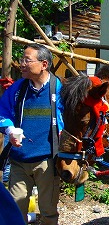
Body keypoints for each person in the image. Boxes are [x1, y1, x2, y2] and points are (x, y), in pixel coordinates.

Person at [0, 43, 64, 224]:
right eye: (22, 60)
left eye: (27, 60)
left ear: (44, 64)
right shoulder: (18, 88)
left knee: (48, 212)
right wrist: (10, 130)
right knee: (14, 211)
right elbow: (2, 112)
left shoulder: (59, 89)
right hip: (19, 161)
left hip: (47, 162)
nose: (22, 64)